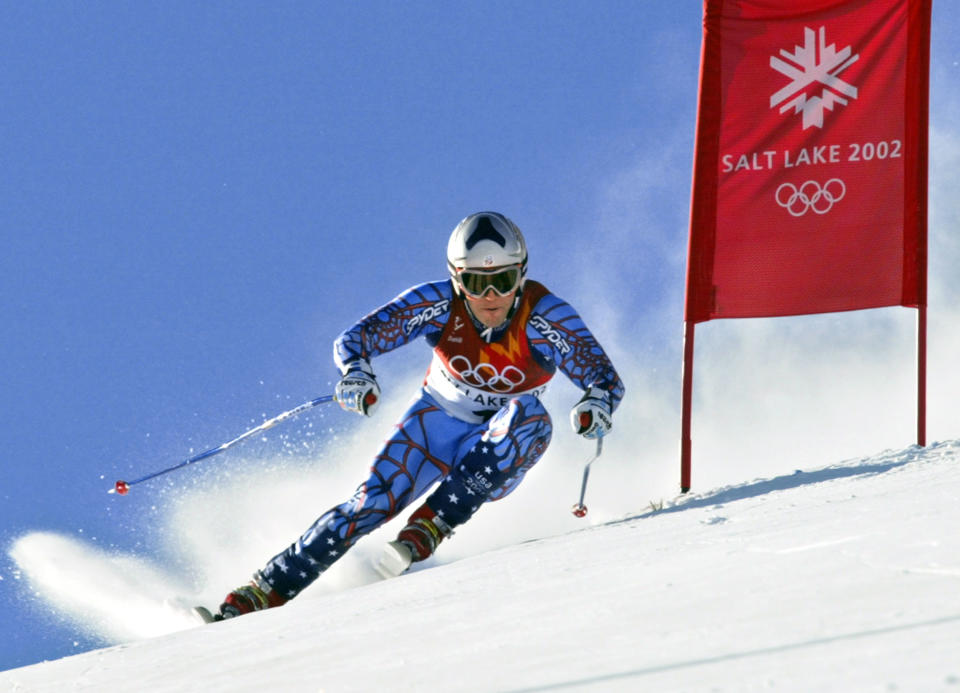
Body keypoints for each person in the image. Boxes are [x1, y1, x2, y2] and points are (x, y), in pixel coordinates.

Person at [211, 211, 625, 619]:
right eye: (476, 283)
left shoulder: (544, 315)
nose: (490, 297)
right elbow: (358, 337)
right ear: (457, 278)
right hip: (435, 422)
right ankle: (265, 589)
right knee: (371, 502)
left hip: (503, 447)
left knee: (529, 414)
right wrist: (356, 373)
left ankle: (432, 524)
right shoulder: (439, 304)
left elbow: (603, 378)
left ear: (521, 274)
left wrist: (596, 405)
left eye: (503, 280)